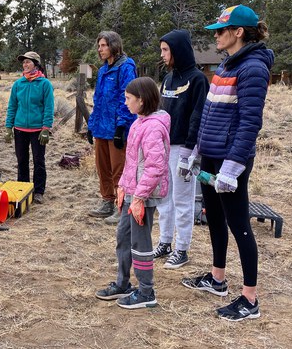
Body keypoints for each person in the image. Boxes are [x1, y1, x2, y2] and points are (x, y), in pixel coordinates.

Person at [181, 5, 274, 321]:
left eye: (221, 31)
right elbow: (208, 116)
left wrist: (232, 169)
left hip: (230, 161)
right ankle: (217, 279)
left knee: (239, 225)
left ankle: (250, 299)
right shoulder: (224, 67)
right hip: (211, 155)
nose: (216, 36)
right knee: (214, 219)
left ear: (239, 33)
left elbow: (250, 123)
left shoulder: (253, 69)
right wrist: (195, 152)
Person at [95, 77, 170, 309]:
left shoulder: (153, 128)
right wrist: (123, 187)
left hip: (143, 197)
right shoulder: (138, 122)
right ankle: (123, 283)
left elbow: (155, 166)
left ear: (142, 100)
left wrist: (138, 196)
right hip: (132, 193)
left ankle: (147, 292)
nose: (125, 102)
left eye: (128, 98)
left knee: (140, 243)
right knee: (123, 237)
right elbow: (132, 164)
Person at [153, 30, 209, 269]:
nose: (163, 55)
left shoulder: (197, 80)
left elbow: (198, 116)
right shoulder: (167, 80)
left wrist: (190, 150)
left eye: (166, 50)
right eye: (162, 50)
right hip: (165, 146)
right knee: (164, 198)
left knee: (183, 200)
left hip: (185, 149)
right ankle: (165, 242)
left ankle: (182, 248)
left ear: (178, 50)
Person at [86, 31, 137, 222]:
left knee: (120, 168)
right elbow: (98, 100)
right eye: (99, 46)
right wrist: (91, 126)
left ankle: (121, 205)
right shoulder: (102, 70)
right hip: (101, 127)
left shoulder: (126, 67)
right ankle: (107, 200)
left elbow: (128, 98)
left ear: (114, 45)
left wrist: (121, 126)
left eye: (104, 45)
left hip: (117, 128)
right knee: (103, 167)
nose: (100, 49)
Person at [5, 51, 54, 204]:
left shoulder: (44, 84)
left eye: (28, 62)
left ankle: (39, 191)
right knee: (22, 160)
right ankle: (23, 188)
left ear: (36, 64)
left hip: (38, 130)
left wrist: (46, 128)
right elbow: (12, 106)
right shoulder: (18, 84)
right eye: (24, 62)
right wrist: (8, 127)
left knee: (39, 160)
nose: (25, 64)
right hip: (20, 129)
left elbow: (49, 107)